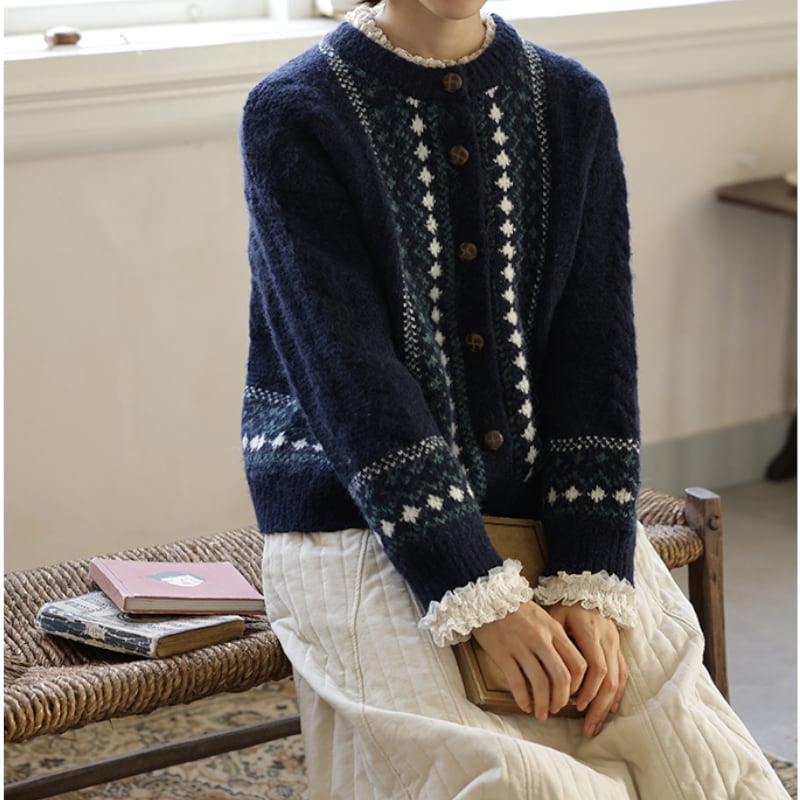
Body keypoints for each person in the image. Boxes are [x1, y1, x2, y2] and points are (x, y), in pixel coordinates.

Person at [239, 1, 788, 797]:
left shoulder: (570, 102)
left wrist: (590, 576)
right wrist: (476, 593)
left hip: (542, 502)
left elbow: (595, 356)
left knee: (707, 772)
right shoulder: (296, 112)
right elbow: (352, 383)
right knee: (507, 782)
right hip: (359, 512)